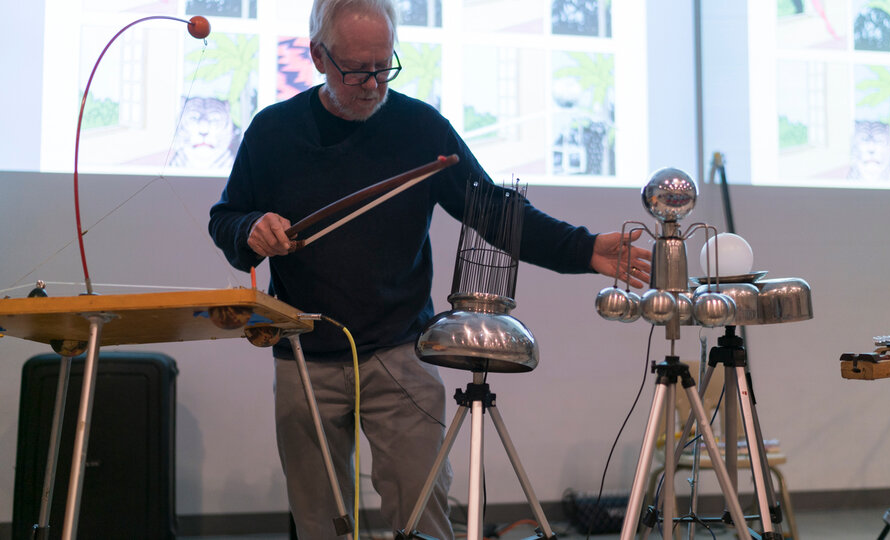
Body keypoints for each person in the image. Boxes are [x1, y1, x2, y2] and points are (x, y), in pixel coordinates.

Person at [208, 0, 651, 537]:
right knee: (319, 520)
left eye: (383, 67)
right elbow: (227, 220)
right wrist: (250, 229)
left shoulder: (420, 128)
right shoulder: (273, 132)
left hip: (400, 351)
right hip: (304, 352)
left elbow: (495, 211)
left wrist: (582, 250)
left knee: (424, 515)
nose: (372, 85)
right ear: (318, 56)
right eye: (356, 71)